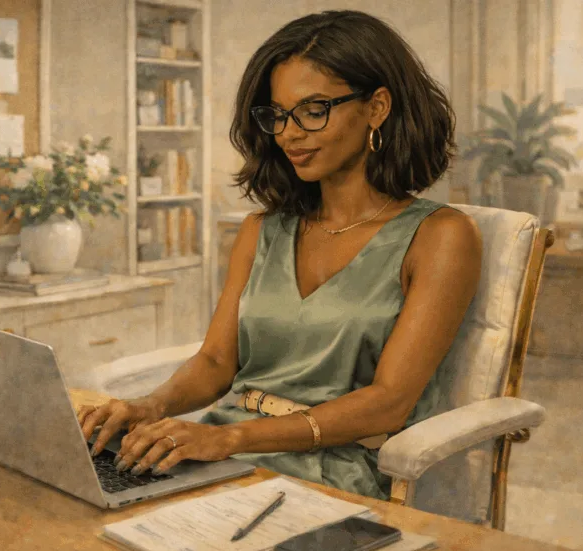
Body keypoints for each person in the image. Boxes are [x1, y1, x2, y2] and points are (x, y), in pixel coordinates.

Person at [78, 10, 482, 500]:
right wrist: (150, 406)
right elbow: (214, 362)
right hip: (221, 453)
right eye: (278, 115)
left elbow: (388, 404)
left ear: (377, 107)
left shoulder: (441, 236)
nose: (289, 133)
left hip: (332, 469)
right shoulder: (261, 230)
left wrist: (230, 439)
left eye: (314, 110)